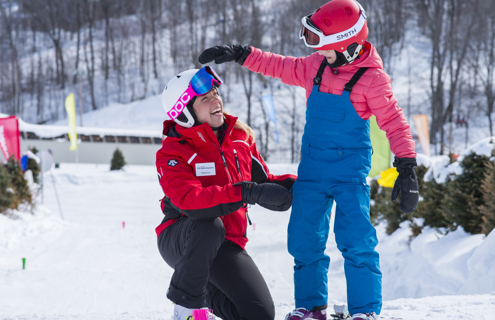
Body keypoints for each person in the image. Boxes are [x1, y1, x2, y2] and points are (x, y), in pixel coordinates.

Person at [198, 0, 419, 320]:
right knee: (304, 240)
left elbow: (394, 122)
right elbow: (279, 65)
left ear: (347, 45)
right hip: (313, 170)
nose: (318, 53)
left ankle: (364, 311)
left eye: (323, 47)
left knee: (356, 241)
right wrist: (242, 53)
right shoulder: (317, 66)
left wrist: (407, 166)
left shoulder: (373, 79)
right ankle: (311, 307)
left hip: (349, 173)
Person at [155, 66, 297, 320]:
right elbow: (191, 202)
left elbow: (264, 181)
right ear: (185, 112)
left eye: (215, 92)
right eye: (205, 98)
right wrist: (245, 193)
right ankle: (186, 307)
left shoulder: (240, 137)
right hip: (182, 238)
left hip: (228, 243)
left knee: (259, 314)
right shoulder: (172, 152)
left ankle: (207, 293)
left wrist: (308, 185)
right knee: (209, 225)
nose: (216, 100)